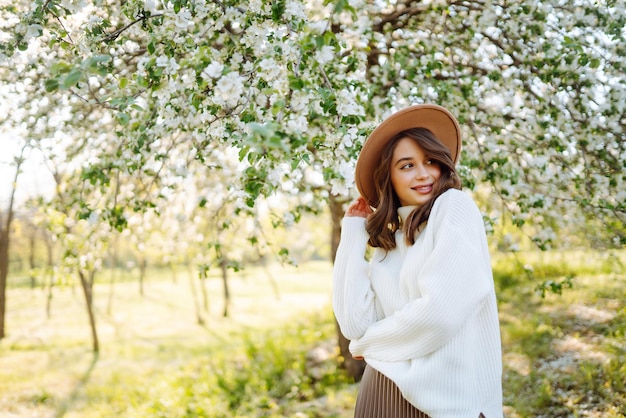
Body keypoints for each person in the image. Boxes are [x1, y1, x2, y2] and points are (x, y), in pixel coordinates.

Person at [333, 104, 503, 418]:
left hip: (448, 404)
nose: (423, 174)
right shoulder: (389, 242)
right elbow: (353, 324)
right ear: (390, 177)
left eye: (429, 161)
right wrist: (353, 233)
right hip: (380, 393)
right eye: (407, 165)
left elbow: (439, 314)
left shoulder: (454, 207)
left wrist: (366, 345)